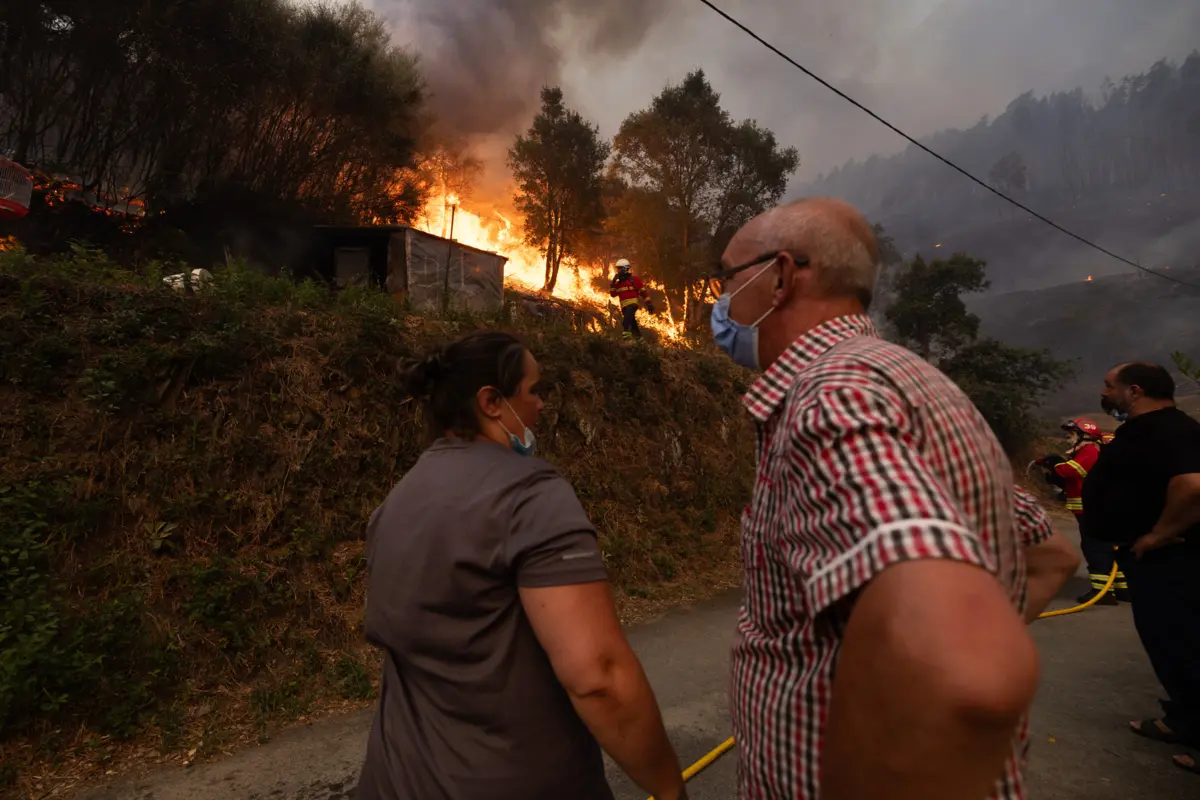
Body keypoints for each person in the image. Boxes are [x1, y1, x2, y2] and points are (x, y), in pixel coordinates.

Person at [710, 197, 1047, 800]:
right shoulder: (911, 379)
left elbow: (965, 662)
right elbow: (1048, 553)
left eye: (728, 279)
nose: (721, 303)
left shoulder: (832, 399)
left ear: (781, 276)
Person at [355, 331, 687, 800]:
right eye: (533, 390)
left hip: (394, 780)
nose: (542, 405)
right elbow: (599, 677)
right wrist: (670, 790)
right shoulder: (530, 494)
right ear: (492, 401)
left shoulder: (396, 502)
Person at [1082, 361, 1200, 777]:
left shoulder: (1171, 429)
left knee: (1183, 644)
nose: (1104, 392)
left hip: (1169, 561)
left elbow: (1192, 486)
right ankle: (1181, 719)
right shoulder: (1145, 431)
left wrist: (1159, 534)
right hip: (1146, 558)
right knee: (1166, 645)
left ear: (1134, 391)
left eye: (1108, 385)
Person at [1034, 418, 1128, 604]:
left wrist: (1054, 463)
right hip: (1090, 509)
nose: (1068, 438)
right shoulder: (1088, 451)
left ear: (1084, 435)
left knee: (1096, 548)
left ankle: (1103, 593)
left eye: (1071, 434)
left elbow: (1072, 471)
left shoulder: (1090, 451)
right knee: (1107, 548)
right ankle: (1121, 590)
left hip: (1092, 510)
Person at [609, 258, 654, 339]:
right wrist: (613, 283)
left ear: (625, 269)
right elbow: (613, 294)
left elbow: (643, 293)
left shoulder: (635, 280)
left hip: (632, 305)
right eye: (617, 269)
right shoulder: (618, 283)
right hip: (624, 307)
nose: (617, 271)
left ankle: (626, 338)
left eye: (619, 269)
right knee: (633, 325)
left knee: (625, 322)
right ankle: (640, 339)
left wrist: (649, 304)